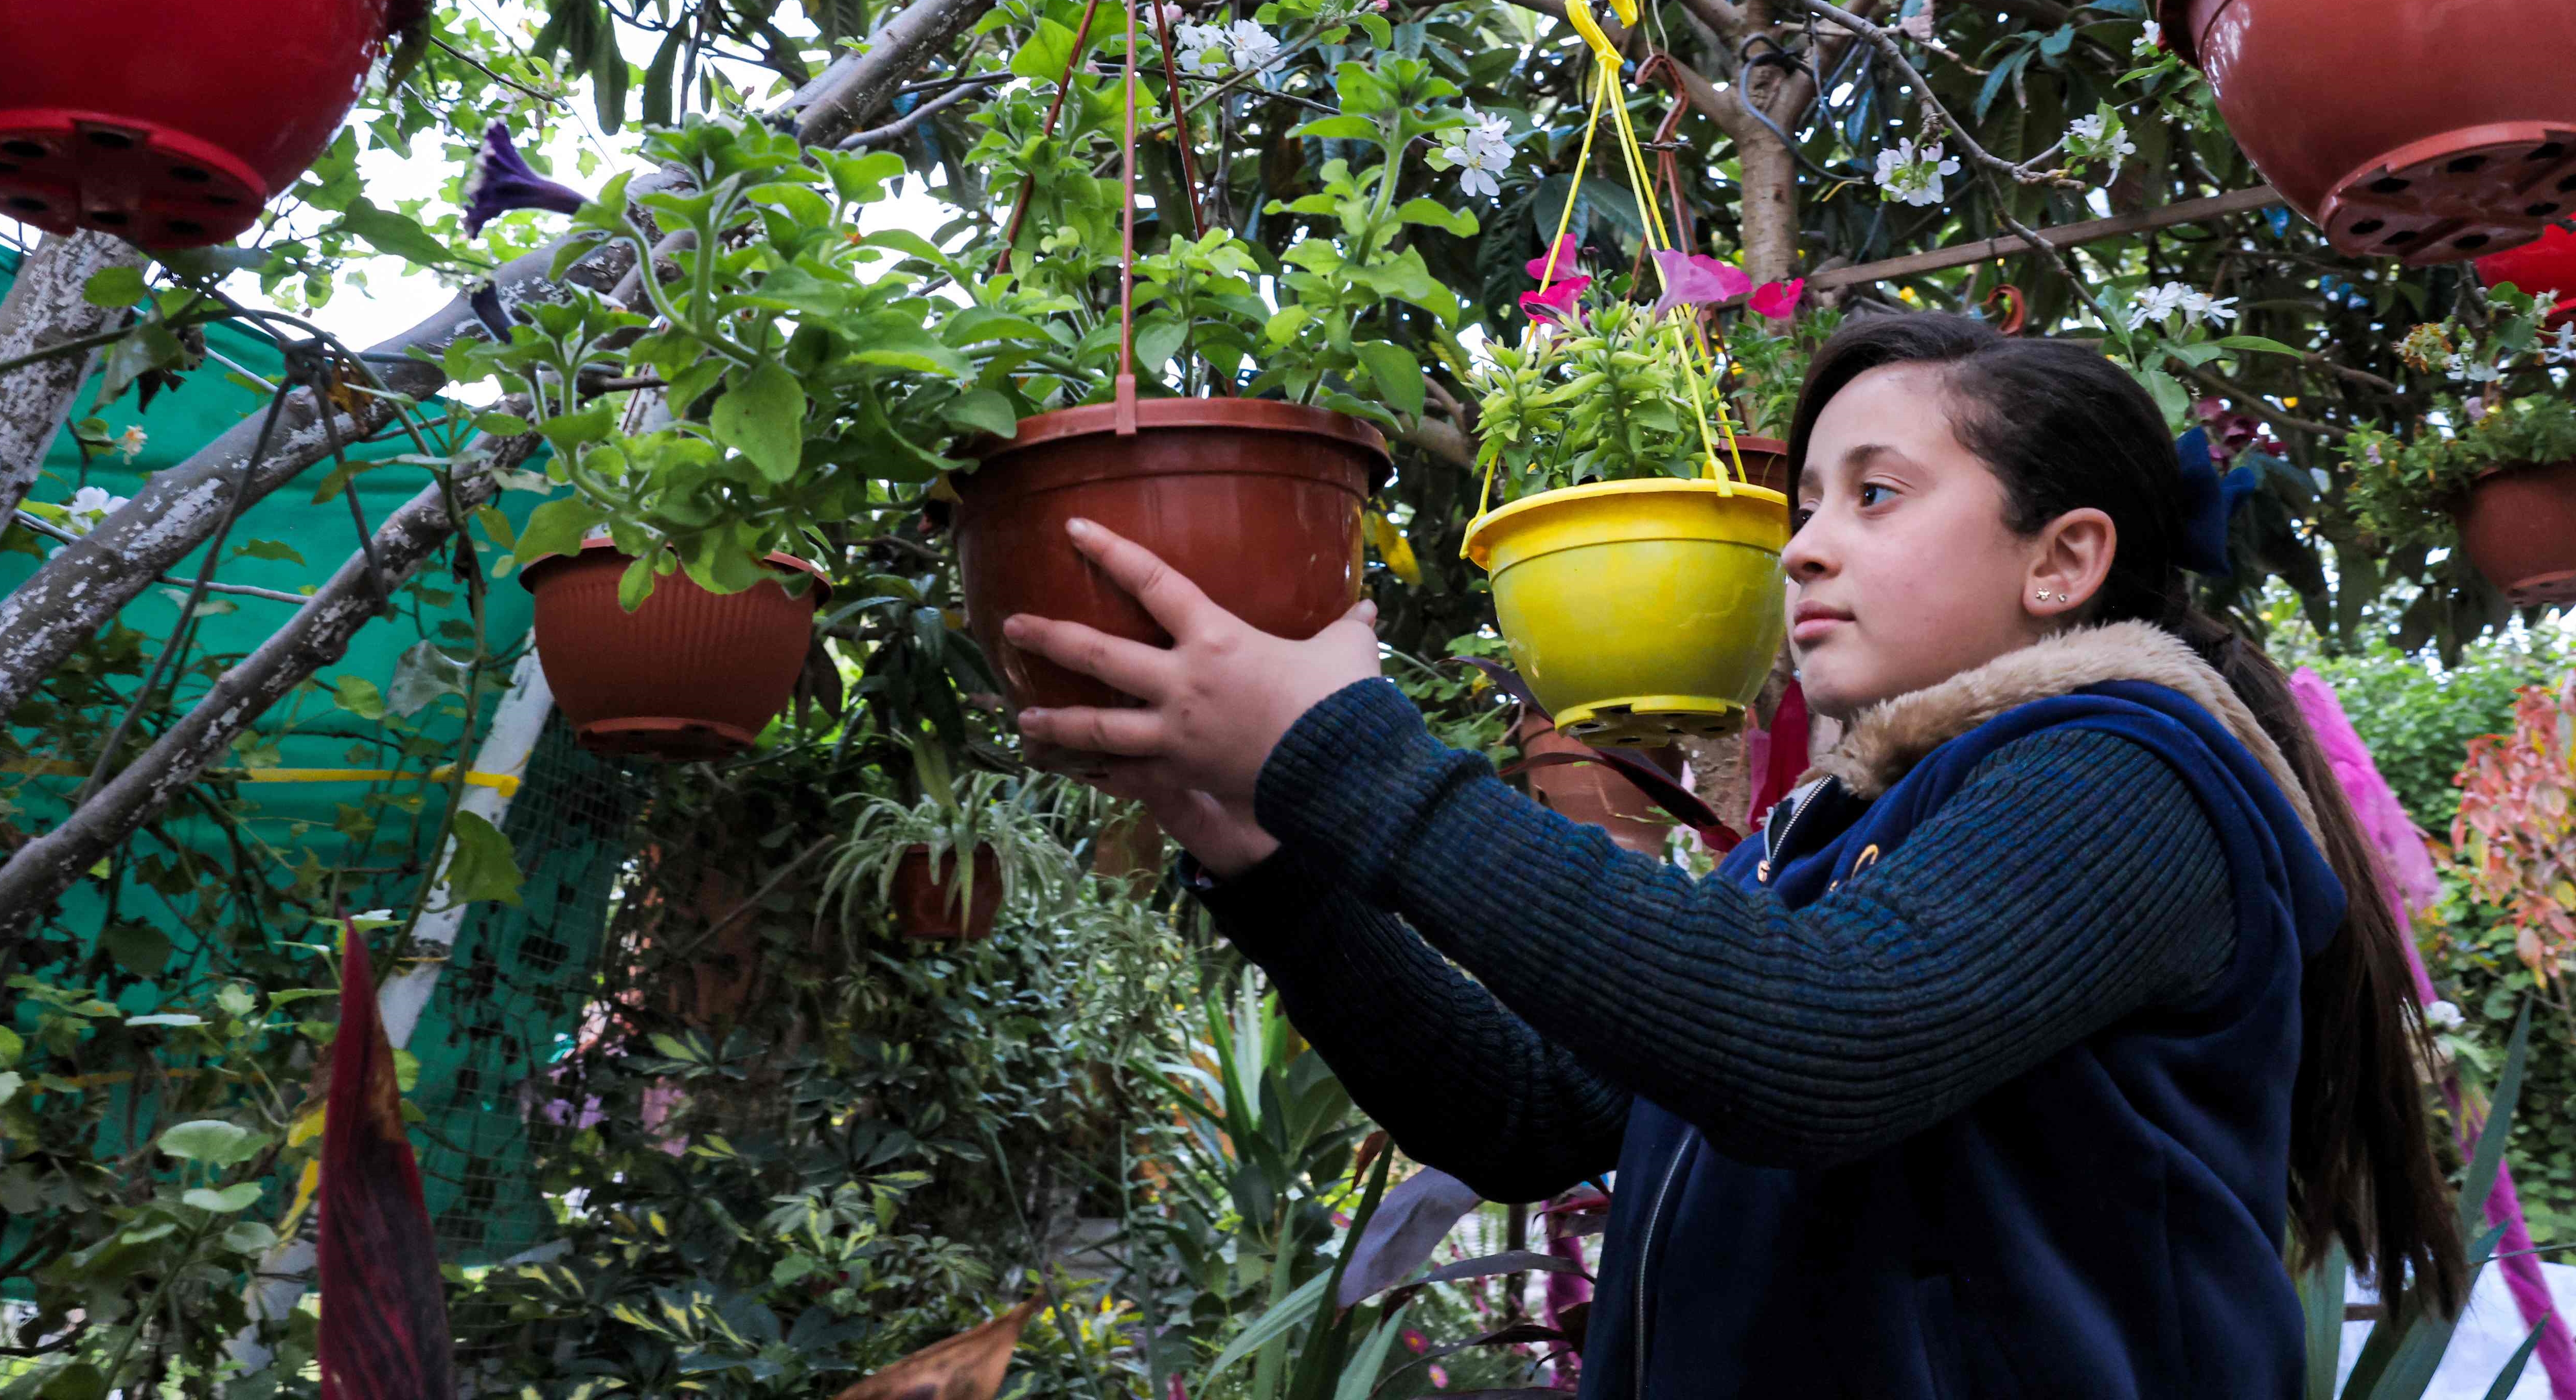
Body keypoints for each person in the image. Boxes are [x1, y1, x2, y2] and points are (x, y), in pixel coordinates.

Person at [1002, 312, 2464, 1399]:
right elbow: (1536, 1113)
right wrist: (1266, 855)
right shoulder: (1835, 836)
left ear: (2061, 561)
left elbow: (1815, 1047)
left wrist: (1343, 746)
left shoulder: (2130, 774)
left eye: (1872, 496)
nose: (1802, 550)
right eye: (1803, 504)